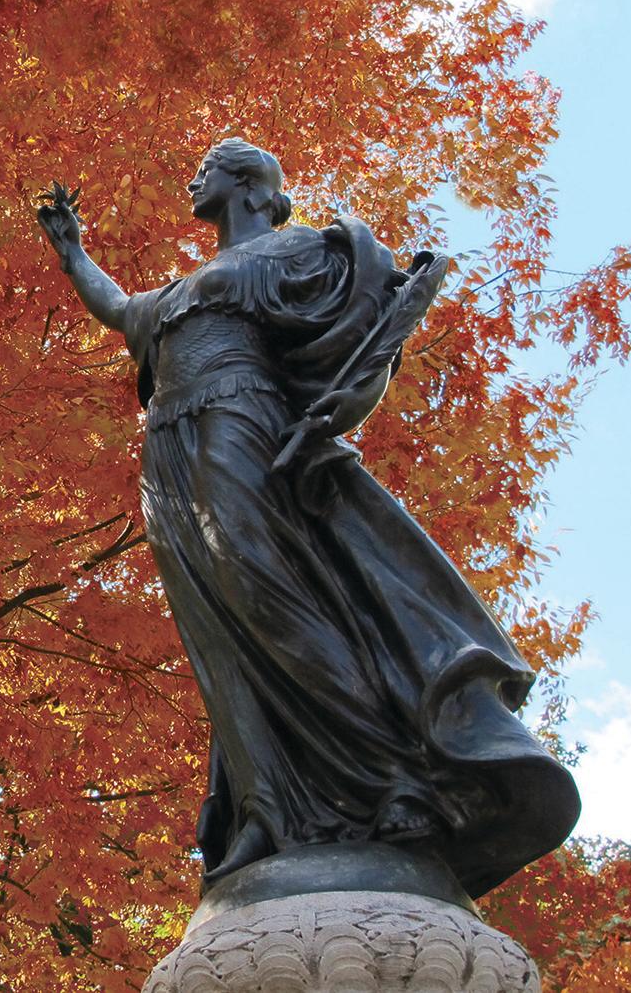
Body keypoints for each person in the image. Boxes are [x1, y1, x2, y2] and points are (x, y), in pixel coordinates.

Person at [37, 137, 580, 899]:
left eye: (212, 165)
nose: (194, 176)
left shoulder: (292, 253)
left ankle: (395, 777)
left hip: (238, 423)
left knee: (266, 597)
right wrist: (72, 253)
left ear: (252, 185)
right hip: (167, 453)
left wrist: (356, 384)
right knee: (220, 632)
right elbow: (122, 308)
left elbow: (369, 313)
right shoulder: (181, 288)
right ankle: (265, 805)